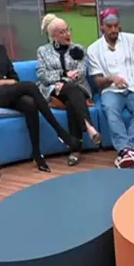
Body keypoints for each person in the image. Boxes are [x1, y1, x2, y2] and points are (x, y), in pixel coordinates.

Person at [0, 12, 77, 172]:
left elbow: (13, 76)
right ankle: (60, 131)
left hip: (7, 93)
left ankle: (37, 154)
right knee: (29, 86)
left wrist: (8, 82)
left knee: (29, 103)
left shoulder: (0, 49)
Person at [86, 8, 134, 169]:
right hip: (111, 90)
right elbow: (97, 81)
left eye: (116, 26)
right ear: (102, 27)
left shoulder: (133, 40)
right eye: (109, 26)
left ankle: (125, 150)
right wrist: (111, 79)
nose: (113, 29)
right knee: (110, 108)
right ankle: (127, 150)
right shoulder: (93, 49)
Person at [36, 13, 101, 165]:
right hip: (54, 91)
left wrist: (63, 82)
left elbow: (81, 72)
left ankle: (75, 148)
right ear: (53, 36)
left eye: (68, 29)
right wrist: (63, 76)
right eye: (62, 32)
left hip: (77, 88)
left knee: (72, 96)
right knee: (71, 90)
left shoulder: (78, 49)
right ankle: (88, 127)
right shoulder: (43, 51)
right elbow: (43, 75)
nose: (67, 34)